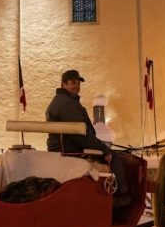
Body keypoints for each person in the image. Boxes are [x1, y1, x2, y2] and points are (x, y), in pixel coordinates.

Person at [45, 70, 127, 198]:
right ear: (63, 84)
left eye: (78, 83)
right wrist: (104, 150)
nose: (77, 86)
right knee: (115, 157)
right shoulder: (67, 104)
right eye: (73, 82)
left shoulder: (64, 101)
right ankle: (120, 196)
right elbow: (81, 135)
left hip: (66, 147)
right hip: (71, 150)